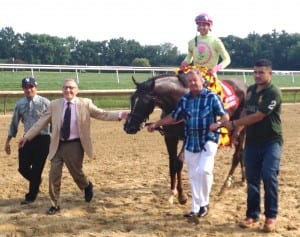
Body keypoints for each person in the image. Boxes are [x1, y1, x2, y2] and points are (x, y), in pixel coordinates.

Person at [18, 79, 128, 215]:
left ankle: (87, 186)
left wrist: (119, 115)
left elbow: (102, 114)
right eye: (65, 88)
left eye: (71, 88)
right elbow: (40, 123)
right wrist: (27, 137)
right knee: (53, 175)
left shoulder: (85, 103)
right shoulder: (54, 105)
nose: (68, 90)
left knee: (77, 174)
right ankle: (55, 204)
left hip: (75, 144)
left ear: (77, 90)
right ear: (62, 90)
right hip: (57, 144)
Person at [148, 69, 229, 218]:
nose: (192, 83)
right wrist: (156, 124)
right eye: (189, 81)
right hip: (191, 141)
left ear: (202, 81)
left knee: (204, 171)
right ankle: (196, 208)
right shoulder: (185, 99)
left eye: (195, 80)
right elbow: (174, 117)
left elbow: (225, 116)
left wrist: (218, 124)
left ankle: (204, 203)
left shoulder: (212, 97)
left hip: (208, 139)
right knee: (193, 176)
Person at [222, 59, 283, 233]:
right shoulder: (250, 90)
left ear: (270, 74)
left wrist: (233, 124)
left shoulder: (274, 93)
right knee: (252, 179)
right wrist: (237, 131)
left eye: (261, 72)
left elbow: (258, 116)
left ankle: (270, 217)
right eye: (255, 72)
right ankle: (252, 215)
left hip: (271, 142)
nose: (257, 75)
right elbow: (246, 111)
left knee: (269, 175)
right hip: (252, 143)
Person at [4, 77, 50, 205]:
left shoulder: (45, 103)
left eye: (31, 87)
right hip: (27, 139)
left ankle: (31, 197)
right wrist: (8, 141)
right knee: (22, 168)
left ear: (36, 87)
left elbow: (55, 121)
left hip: (43, 139)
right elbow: (14, 124)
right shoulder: (20, 104)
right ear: (23, 89)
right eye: (26, 87)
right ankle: (36, 180)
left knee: (36, 168)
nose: (28, 89)